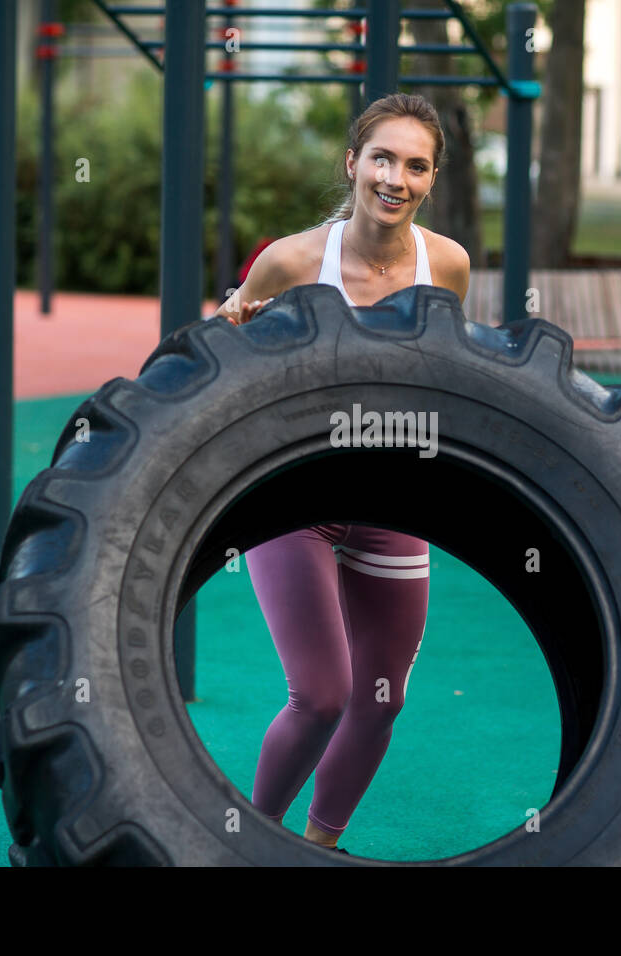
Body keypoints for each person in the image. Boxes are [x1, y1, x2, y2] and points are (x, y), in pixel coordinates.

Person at [212, 93, 471, 850]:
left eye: (416, 165)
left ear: (430, 179)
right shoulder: (293, 260)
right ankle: (257, 845)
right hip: (295, 498)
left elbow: (451, 376)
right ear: (353, 163)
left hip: (391, 500)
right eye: (383, 158)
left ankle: (320, 851)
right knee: (323, 695)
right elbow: (214, 366)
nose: (396, 178)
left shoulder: (445, 263)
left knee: (381, 699)